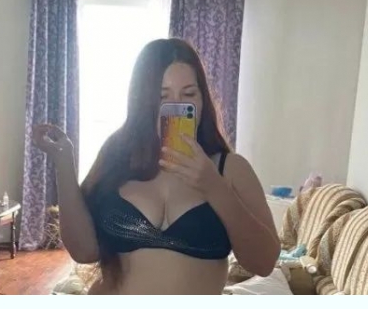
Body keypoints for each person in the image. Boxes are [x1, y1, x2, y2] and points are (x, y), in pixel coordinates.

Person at [33, 38, 280, 295]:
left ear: (202, 99)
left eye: (189, 94)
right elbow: (84, 252)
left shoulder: (231, 169)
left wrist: (214, 187)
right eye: (162, 96)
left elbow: (263, 263)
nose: (177, 105)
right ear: (143, 101)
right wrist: (63, 161)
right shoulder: (116, 155)